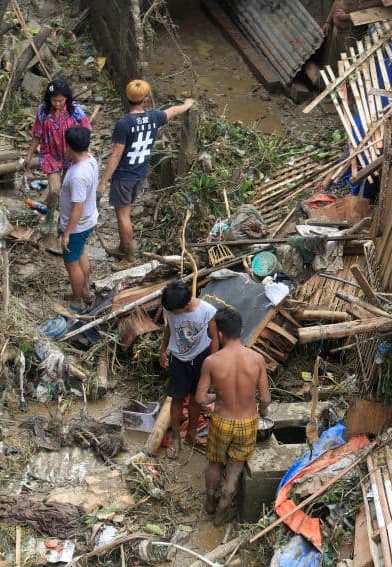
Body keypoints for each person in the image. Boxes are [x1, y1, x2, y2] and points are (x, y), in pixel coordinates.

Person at [98, 79, 195, 265]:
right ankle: (122, 247)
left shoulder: (124, 124)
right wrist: (187, 105)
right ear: (146, 99)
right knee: (126, 211)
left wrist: (103, 181)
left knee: (123, 216)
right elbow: (173, 111)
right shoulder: (154, 117)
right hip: (140, 174)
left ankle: (129, 257)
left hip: (124, 176)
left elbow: (116, 154)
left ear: (128, 98)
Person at [195, 306, 270, 524]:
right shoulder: (257, 359)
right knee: (234, 470)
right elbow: (265, 398)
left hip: (222, 421)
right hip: (247, 422)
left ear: (219, 333)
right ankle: (221, 512)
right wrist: (263, 413)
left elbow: (200, 399)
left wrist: (216, 398)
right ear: (241, 329)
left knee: (215, 464)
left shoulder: (212, 362)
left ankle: (209, 502)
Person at [24, 80, 92, 251]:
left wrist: (86, 154)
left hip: (71, 154)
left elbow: (86, 130)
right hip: (50, 154)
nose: (58, 104)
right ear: (49, 99)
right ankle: (49, 217)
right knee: (55, 190)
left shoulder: (74, 109)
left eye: (61, 100)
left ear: (66, 99)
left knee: (68, 191)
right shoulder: (43, 111)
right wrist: (29, 155)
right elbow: (37, 135)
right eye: (54, 100)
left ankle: (66, 221)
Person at [160, 280, 219, 457]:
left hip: (201, 358)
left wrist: (213, 362)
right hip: (178, 359)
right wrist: (163, 349)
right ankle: (176, 437)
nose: (171, 313)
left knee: (196, 399)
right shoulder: (170, 307)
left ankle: (191, 435)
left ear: (186, 305)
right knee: (176, 399)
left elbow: (214, 337)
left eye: (174, 311)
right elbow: (168, 329)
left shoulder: (206, 310)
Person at [59, 126, 99, 308]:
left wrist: (67, 233)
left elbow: (77, 207)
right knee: (81, 252)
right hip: (88, 220)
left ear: (69, 147)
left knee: (71, 263)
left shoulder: (77, 175)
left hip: (77, 225)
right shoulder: (90, 160)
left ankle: (77, 301)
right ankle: (86, 292)